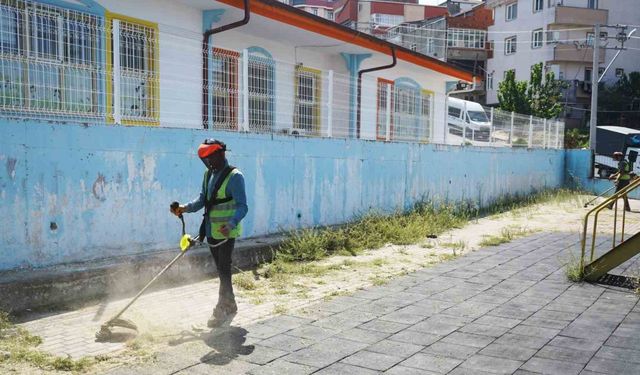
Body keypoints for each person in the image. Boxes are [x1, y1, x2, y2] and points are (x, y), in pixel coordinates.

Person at [171, 139, 248, 327]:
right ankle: (230, 304)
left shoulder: (235, 177)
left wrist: (230, 224)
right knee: (222, 270)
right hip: (211, 231)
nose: (209, 162)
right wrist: (184, 208)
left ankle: (223, 308)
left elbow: (243, 207)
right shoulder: (208, 175)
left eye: (211, 158)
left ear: (221, 154)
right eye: (205, 159)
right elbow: (202, 200)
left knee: (223, 269)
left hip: (227, 233)